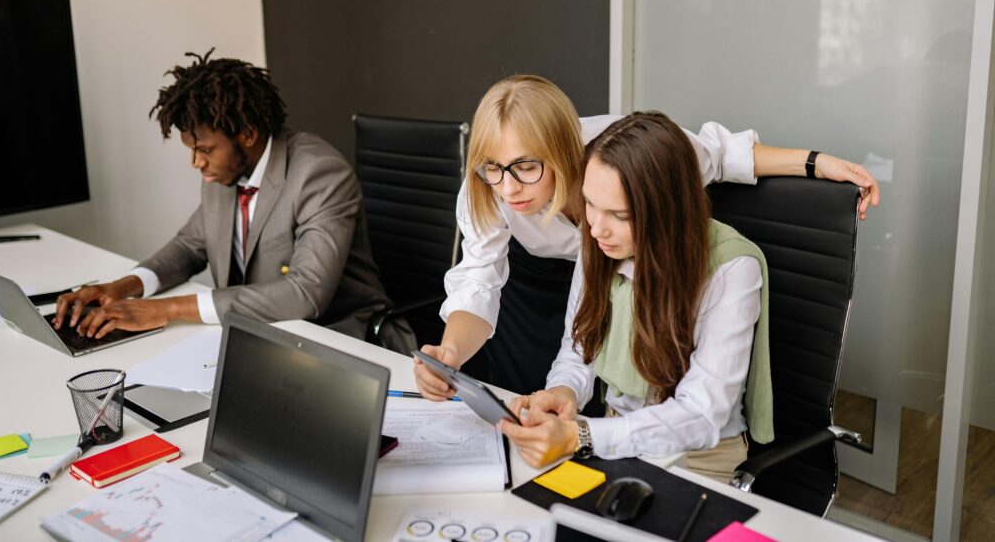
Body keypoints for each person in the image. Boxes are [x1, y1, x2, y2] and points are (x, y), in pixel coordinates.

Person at [414, 75, 879, 400]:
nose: (508, 186)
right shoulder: (488, 186)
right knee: (549, 392)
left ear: (563, 149)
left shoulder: (628, 157)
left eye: (526, 167)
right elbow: (479, 283)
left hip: (621, 276)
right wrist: (451, 352)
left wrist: (817, 163)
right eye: (493, 167)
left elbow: (721, 155)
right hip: (536, 286)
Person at [53, 50, 413, 351]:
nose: (196, 162)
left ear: (248, 134)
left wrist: (167, 309)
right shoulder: (221, 174)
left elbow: (305, 293)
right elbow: (189, 246)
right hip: (257, 337)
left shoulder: (319, 174)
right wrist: (122, 287)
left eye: (205, 150)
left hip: (339, 339)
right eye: (192, 150)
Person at [501, 111, 771, 483]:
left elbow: (702, 413)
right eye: (589, 204)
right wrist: (562, 391)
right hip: (612, 441)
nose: (596, 226)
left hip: (699, 460)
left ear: (668, 210)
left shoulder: (731, 269)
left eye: (620, 214)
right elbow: (580, 346)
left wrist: (583, 435)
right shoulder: (598, 242)